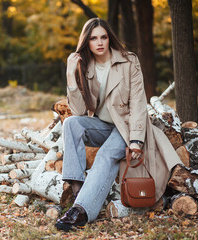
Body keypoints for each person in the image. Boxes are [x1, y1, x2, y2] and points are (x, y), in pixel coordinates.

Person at [55, 18, 181, 231]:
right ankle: (78, 190)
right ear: (87, 42)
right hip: (103, 126)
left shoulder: (128, 62)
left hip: (126, 128)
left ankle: (82, 211)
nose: (99, 42)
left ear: (109, 38)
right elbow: (78, 112)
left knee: (106, 155)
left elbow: (139, 104)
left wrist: (136, 141)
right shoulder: (85, 65)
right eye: (93, 38)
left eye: (103, 37)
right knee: (71, 124)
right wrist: (70, 76)